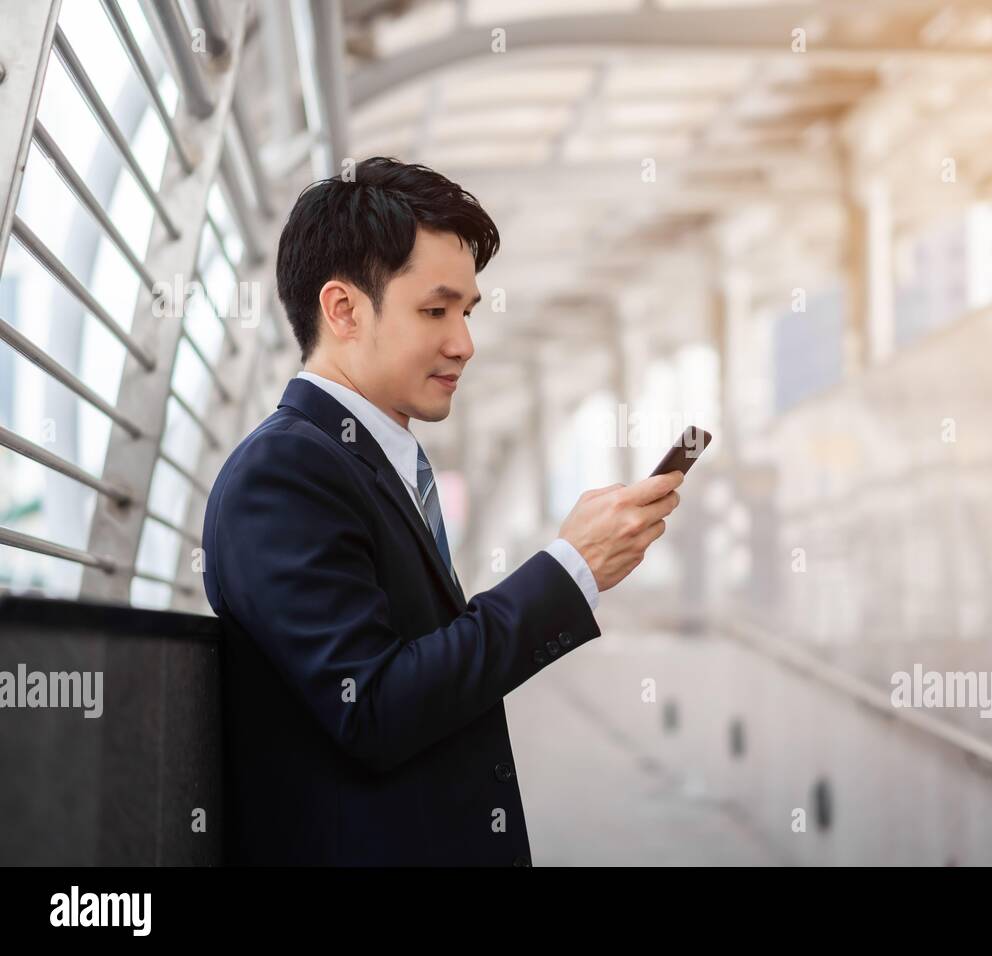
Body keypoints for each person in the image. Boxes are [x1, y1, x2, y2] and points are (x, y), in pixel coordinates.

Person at [200, 157, 683, 865]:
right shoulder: (285, 473)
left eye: (468, 311)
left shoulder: (370, 464)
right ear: (343, 310)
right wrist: (568, 569)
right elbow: (372, 707)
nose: (465, 343)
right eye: (436, 310)